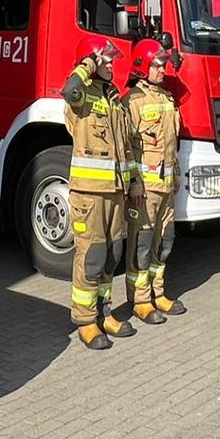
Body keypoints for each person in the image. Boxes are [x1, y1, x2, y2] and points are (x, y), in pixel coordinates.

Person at [62, 36, 137, 350]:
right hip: (89, 195)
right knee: (91, 258)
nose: (111, 64)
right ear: (91, 62)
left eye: (111, 60)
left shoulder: (113, 98)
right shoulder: (81, 97)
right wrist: (87, 66)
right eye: (105, 59)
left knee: (110, 257)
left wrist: (133, 185)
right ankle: (86, 321)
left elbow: (126, 147)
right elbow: (69, 90)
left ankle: (105, 312)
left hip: (115, 193)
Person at [124, 38, 186, 324]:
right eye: (158, 65)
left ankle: (158, 293)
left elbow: (172, 144)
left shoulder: (166, 98)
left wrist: (176, 176)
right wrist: (134, 184)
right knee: (142, 244)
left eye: (163, 64)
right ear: (142, 66)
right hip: (145, 189)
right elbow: (126, 149)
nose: (163, 70)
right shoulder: (132, 102)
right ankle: (139, 300)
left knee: (165, 241)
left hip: (167, 186)